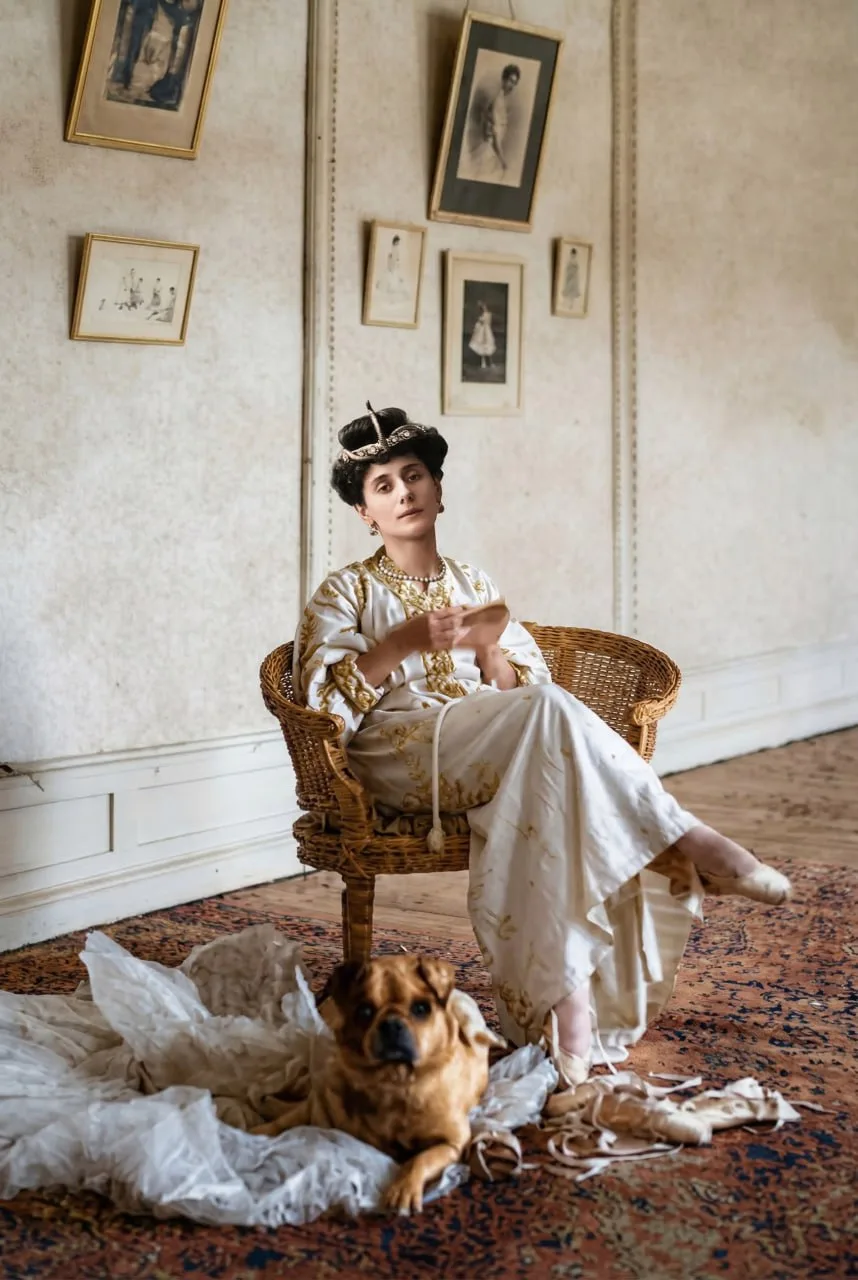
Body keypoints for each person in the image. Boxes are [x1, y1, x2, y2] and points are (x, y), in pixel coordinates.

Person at [295, 404, 791, 1085]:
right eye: (384, 486)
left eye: (414, 476)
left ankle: (569, 1016)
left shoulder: (474, 583)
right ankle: (683, 839)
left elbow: (523, 686)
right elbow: (320, 708)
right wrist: (402, 643)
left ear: (439, 487)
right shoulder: (346, 589)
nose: (404, 493)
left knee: (546, 795)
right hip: (396, 755)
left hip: (493, 747)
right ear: (364, 512)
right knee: (548, 717)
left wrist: (490, 651)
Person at [460, 63, 521, 184]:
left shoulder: (500, 100)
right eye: (510, 81)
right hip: (489, 151)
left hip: (491, 150)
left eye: (515, 83)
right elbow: (495, 136)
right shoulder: (498, 102)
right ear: (503, 79)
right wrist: (503, 161)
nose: (512, 86)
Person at [468, 301, 496, 370]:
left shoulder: (488, 314)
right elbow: (479, 323)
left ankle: (490, 363)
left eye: (484, 307)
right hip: (482, 331)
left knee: (488, 345)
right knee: (481, 346)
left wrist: (482, 322)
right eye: (482, 308)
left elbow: (487, 322)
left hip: (486, 331)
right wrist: (478, 325)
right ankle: (483, 363)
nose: (483, 308)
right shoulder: (482, 315)